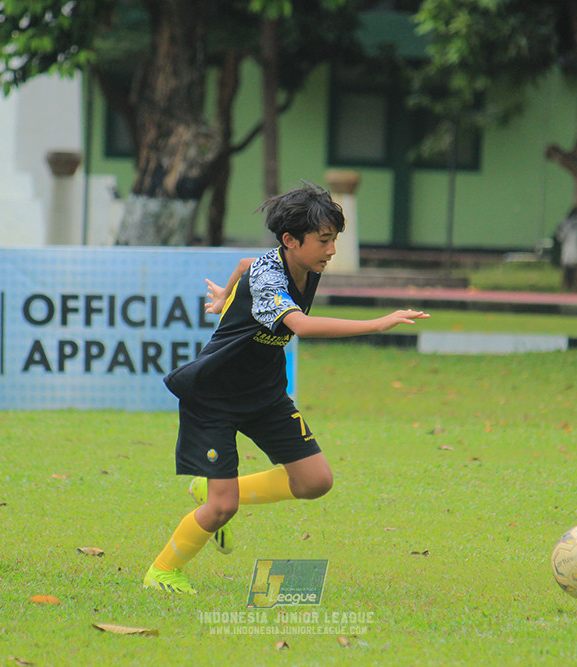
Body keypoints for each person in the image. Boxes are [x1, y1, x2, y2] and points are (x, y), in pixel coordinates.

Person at [143, 182, 429, 595]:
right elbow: (301, 325)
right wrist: (377, 323)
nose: (332, 250)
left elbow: (243, 262)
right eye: (324, 241)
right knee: (223, 508)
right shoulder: (271, 276)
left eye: (334, 239)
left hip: (265, 393)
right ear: (290, 240)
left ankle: (208, 487)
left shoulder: (302, 265)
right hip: (214, 396)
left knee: (315, 481)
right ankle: (162, 571)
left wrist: (226, 294)